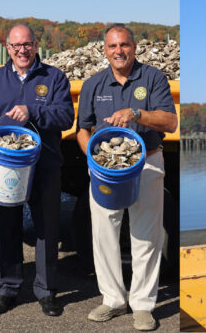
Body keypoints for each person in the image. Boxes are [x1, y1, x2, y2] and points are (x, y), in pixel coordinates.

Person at [76, 24, 177, 331]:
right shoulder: (94, 83)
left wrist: (137, 113)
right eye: (112, 46)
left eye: (124, 45)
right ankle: (113, 299)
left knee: (146, 236)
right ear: (104, 50)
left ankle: (143, 305)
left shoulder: (154, 78)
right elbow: (83, 129)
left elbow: (170, 122)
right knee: (104, 232)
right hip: (107, 170)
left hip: (146, 163)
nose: (119, 51)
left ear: (135, 47)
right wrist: (93, 159)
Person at [0, 24, 74, 316]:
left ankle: (46, 291)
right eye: (16, 45)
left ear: (35, 45)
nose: (22, 50)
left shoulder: (54, 77)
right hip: (7, 167)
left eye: (27, 44)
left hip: (45, 166)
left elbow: (66, 116)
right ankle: (7, 288)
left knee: (47, 229)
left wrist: (34, 110)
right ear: (7, 47)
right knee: (6, 227)